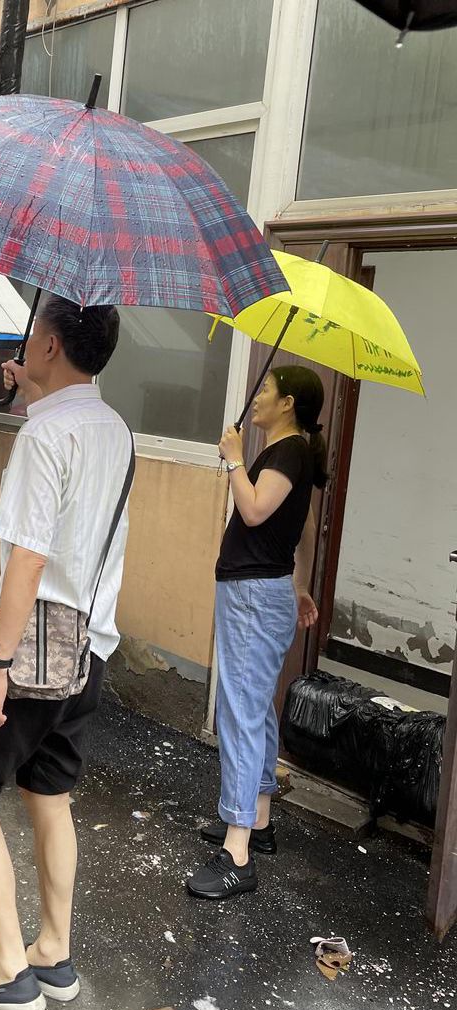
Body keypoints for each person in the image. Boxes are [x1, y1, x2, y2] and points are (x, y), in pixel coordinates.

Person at [0, 295, 131, 1010]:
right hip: (89, 646)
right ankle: (53, 950)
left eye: (35, 334)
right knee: (50, 793)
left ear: (48, 345)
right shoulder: (113, 428)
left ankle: (7, 972)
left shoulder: (45, 440)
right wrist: (32, 396)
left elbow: (29, 559)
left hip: (29, 651)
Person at [187, 365, 327, 901]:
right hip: (264, 591)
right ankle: (259, 820)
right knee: (256, 708)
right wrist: (300, 587)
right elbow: (303, 528)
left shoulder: (286, 452)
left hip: (251, 595)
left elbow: (253, 509)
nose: (258, 397)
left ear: (287, 403)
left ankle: (238, 853)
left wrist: (235, 460)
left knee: (241, 714)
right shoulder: (292, 455)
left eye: (265, 390)